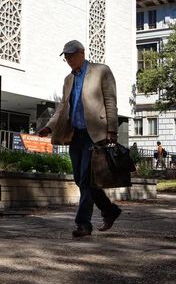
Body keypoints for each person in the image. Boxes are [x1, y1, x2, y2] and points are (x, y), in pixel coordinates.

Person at [38, 40, 122, 237]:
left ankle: (83, 224)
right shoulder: (69, 79)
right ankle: (110, 210)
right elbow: (62, 108)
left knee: (85, 179)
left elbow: (110, 100)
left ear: (82, 53)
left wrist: (112, 129)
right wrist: (49, 127)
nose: (68, 59)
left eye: (71, 55)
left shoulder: (101, 70)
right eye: (65, 56)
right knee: (80, 179)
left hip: (95, 134)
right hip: (76, 135)